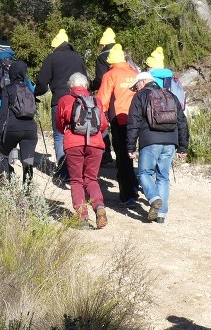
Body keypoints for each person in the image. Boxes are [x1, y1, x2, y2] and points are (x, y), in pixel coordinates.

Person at [126, 71, 189, 224]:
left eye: (136, 86)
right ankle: (161, 215)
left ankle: (154, 199)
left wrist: (130, 146)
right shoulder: (170, 95)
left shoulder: (141, 96)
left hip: (150, 141)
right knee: (163, 177)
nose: (136, 89)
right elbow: (182, 121)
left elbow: (133, 123)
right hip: (170, 143)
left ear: (142, 82)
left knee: (144, 173)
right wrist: (183, 147)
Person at [55, 73, 109, 230]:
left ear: (70, 86)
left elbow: (59, 125)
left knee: (76, 180)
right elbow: (103, 124)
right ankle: (99, 206)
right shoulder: (96, 101)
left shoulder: (64, 100)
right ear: (86, 86)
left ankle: (82, 217)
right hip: (96, 143)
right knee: (91, 178)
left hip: (73, 144)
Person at [35, 29, 88, 182]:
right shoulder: (78, 58)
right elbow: (86, 79)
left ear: (55, 46)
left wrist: (34, 93)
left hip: (59, 101)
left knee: (60, 135)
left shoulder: (51, 58)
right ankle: (77, 170)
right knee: (79, 133)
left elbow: (42, 85)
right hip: (80, 101)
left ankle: (63, 171)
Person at [95, 44, 140, 205]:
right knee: (132, 154)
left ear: (110, 62)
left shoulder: (111, 74)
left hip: (120, 120)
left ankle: (127, 195)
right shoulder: (135, 73)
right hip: (137, 120)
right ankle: (134, 187)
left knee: (122, 157)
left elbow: (102, 101)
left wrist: (99, 121)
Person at [0, 59, 38, 186]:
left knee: (3, 154)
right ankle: (28, 192)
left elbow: (3, 114)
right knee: (28, 161)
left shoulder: (8, 89)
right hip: (30, 129)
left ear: (12, 73)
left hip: (13, 128)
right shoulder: (29, 90)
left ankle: (6, 187)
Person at [91, 27, 117, 165]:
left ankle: (106, 154)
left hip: (107, 95)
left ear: (103, 44)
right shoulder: (124, 54)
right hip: (124, 95)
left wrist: (91, 86)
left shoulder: (102, 57)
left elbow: (100, 80)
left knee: (102, 123)